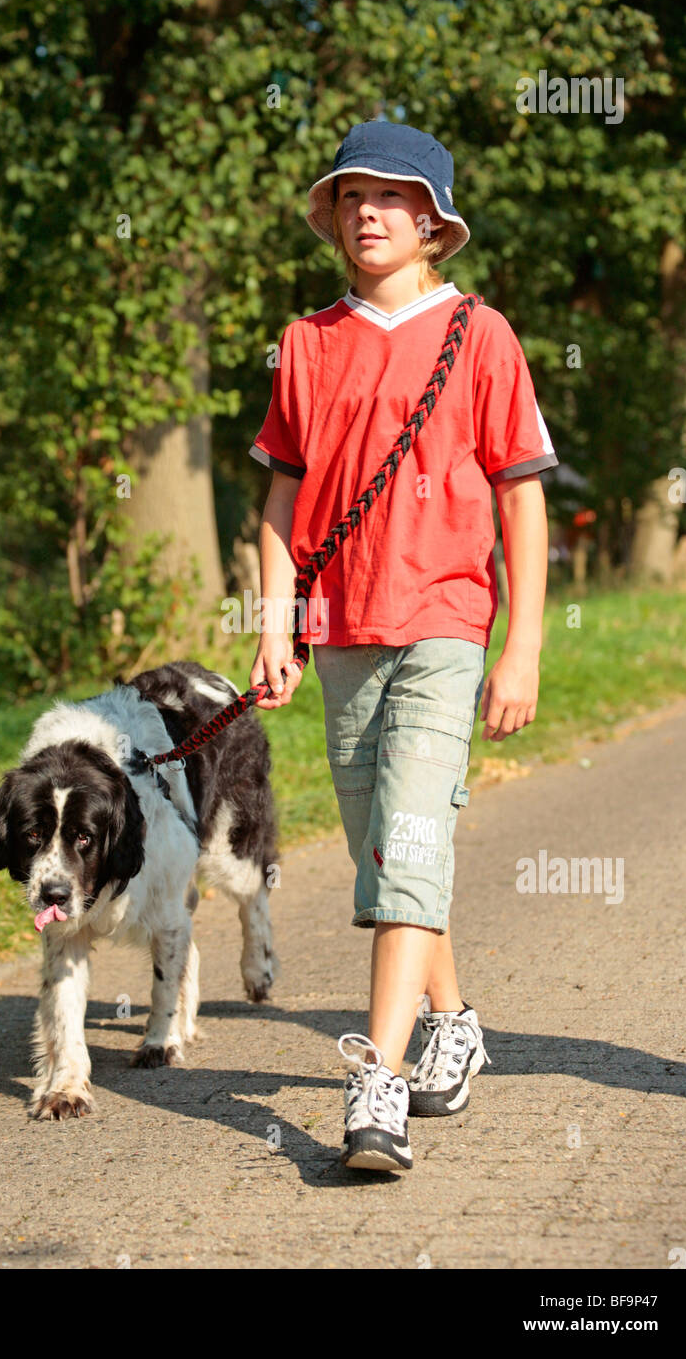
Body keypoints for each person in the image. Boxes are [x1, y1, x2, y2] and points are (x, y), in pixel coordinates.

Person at [248, 120, 558, 1172]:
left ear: (432, 221)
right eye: (349, 196)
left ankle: (371, 1085)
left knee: (412, 841)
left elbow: (521, 503)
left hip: (443, 623)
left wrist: (519, 648)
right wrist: (274, 623)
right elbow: (277, 508)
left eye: (390, 196)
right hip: (336, 630)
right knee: (388, 850)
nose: (366, 212)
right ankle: (453, 1021)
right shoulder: (305, 342)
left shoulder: (481, 336)